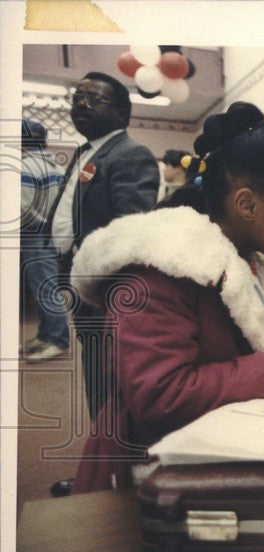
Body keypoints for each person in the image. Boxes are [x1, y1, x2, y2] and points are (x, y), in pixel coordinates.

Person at [70, 102, 264, 494]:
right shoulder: (159, 269)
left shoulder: (261, 267)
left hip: (214, 466)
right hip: (145, 483)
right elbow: (160, 397)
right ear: (246, 204)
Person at [47, 71, 160, 420]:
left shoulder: (130, 154)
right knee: (96, 372)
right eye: (77, 99)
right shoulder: (88, 152)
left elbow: (128, 231)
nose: (81, 105)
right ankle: (104, 465)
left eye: (94, 99)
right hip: (81, 281)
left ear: (122, 113)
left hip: (106, 290)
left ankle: (112, 469)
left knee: (109, 379)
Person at [19, 119, 70, 361]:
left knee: (45, 288)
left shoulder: (25, 167)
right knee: (44, 287)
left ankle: (58, 339)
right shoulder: (57, 168)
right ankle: (46, 334)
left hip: (34, 232)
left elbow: (22, 208)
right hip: (51, 232)